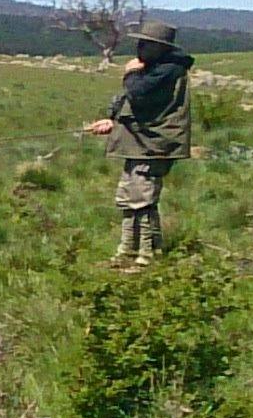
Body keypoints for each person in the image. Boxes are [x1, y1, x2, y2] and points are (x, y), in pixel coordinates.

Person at [83, 19, 195, 264]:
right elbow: (130, 102)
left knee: (142, 199)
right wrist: (111, 120)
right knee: (128, 196)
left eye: (147, 44)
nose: (141, 48)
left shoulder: (168, 69)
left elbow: (137, 93)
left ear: (162, 47)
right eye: (141, 43)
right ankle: (131, 250)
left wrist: (131, 72)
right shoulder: (155, 68)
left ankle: (144, 254)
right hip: (139, 142)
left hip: (154, 144)